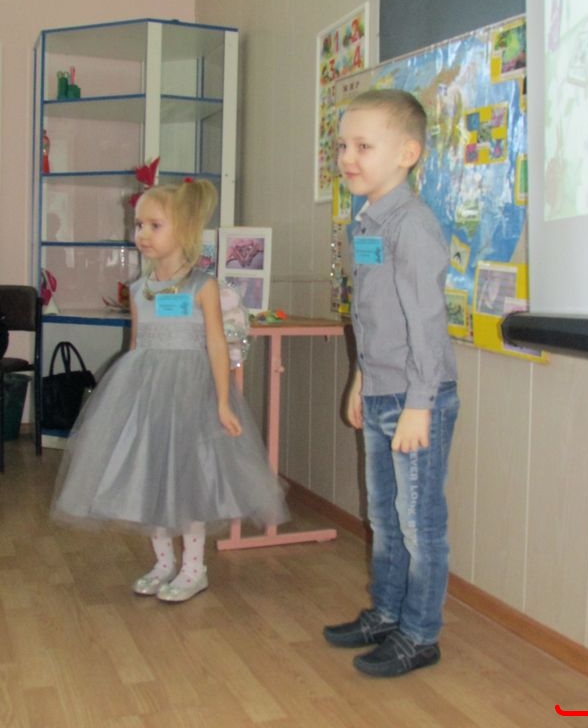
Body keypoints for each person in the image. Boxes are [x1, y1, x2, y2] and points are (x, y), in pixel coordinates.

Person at [52, 179, 288, 602]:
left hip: (192, 398)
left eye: (154, 225)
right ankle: (164, 562)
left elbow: (216, 344)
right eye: (138, 224)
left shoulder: (203, 287)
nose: (142, 234)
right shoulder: (139, 290)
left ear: (184, 230)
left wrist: (222, 401)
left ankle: (194, 567)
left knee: (188, 483)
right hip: (147, 397)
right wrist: (124, 403)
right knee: (150, 479)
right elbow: (136, 346)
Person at [323, 90, 459, 676]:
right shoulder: (368, 223)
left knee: (418, 522)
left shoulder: (414, 225)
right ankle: (387, 613)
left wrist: (419, 404)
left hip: (415, 397)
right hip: (381, 388)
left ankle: (420, 634)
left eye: (363, 146)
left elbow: (426, 322)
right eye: (342, 146)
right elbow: (374, 316)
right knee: (383, 515)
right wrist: (360, 378)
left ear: (407, 153)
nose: (347, 158)